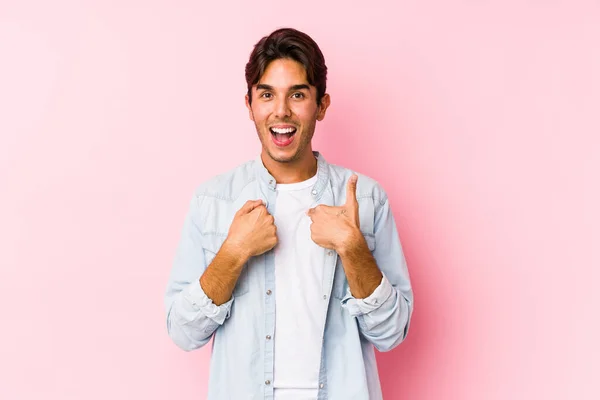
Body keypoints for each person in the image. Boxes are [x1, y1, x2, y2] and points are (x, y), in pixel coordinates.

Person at [164, 27, 414, 400]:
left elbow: (392, 333)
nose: (281, 111)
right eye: (267, 95)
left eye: (297, 94)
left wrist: (352, 246)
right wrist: (232, 253)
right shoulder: (213, 201)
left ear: (321, 105)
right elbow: (184, 332)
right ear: (249, 105)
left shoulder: (367, 199)